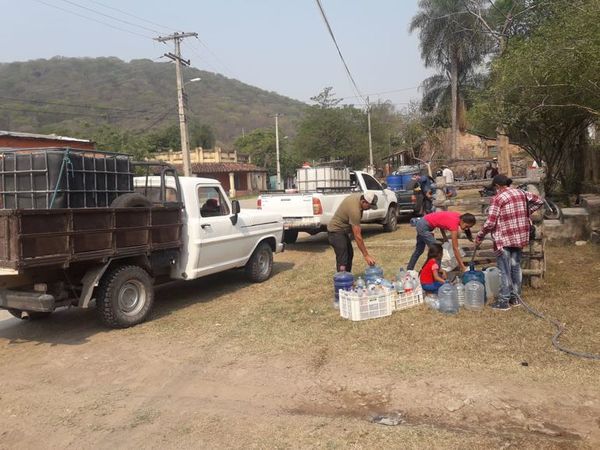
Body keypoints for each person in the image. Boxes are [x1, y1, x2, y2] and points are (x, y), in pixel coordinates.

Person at [475, 174, 544, 310]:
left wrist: (480, 235)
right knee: (515, 267)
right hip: (519, 236)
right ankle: (515, 298)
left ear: (497, 186)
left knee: (504, 270)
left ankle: (504, 301)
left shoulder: (498, 198)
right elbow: (539, 201)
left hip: (504, 238)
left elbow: (490, 222)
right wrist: (526, 212)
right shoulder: (522, 193)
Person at [407, 211, 476, 272]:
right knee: (437, 251)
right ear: (462, 221)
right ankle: (430, 272)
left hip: (422, 222)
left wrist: (445, 238)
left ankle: (409, 270)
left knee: (419, 250)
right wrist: (462, 266)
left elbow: (441, 222)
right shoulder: (454, 224)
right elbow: (455, 248)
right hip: (424, 226)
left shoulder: (458, 216)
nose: (466, 229)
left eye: (469, 227)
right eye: (466, 226)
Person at [327, 192, 378, 272]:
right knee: (343, 258)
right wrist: (366, 255)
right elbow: (357, 236)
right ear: (363, 201)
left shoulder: (359, 198)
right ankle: (342, 281)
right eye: (369, 206)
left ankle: (347, 278)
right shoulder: (355, 211)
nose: (370, 208)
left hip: (342, 231)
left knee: (349, 254)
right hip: (335, 231)